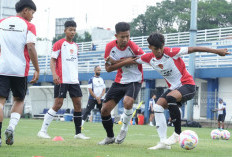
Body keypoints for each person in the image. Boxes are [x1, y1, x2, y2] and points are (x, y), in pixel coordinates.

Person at [113, 32, 229, 149]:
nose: (159, 51)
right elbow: (133, 59)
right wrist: (114, 63)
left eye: (161, 48)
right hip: (173, 88)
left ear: (163, 45)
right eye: (155, 49)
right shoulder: (149, 58)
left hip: (187, 85)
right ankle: (163, 143)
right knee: (158, 107)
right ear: (150, 48)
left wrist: (217, 52)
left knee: (170, 98)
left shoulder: (171, 52)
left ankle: (177, 133)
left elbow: (194, 48)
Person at [37, 20, 89, 140]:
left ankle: (78, 133)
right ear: (65, 30)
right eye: (70, 29)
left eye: (74, 30)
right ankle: (42, 130)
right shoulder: (59, 44)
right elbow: (52, 60)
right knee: (58, 104)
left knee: (78, 104)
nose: (73, 32)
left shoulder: (76, 46)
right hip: (62, 79)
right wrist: (54, 74)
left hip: (74, 80)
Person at [98, 22, 145, 145]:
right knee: (104, 110)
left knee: (127, 102)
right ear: (116, 36)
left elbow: (144, 59)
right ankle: (109, 137)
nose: (125, 39)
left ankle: (124, 128)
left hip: (135, 80)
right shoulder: (110, 47)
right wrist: (126, 61)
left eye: (127, 36)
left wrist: (120, 62)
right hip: (119, 81)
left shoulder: (134, 47)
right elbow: (108, 69)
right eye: (122, 37)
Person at [0, 0, 39, 146]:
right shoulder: (29, 26)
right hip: (20, 70)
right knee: (19, 100)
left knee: (0, 102)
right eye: (32, 13)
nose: (32, 17)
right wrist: (37, 68)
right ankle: (11, 128)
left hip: (2, 68)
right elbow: (30, 47)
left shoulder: (1, 22)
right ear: (25, 10)